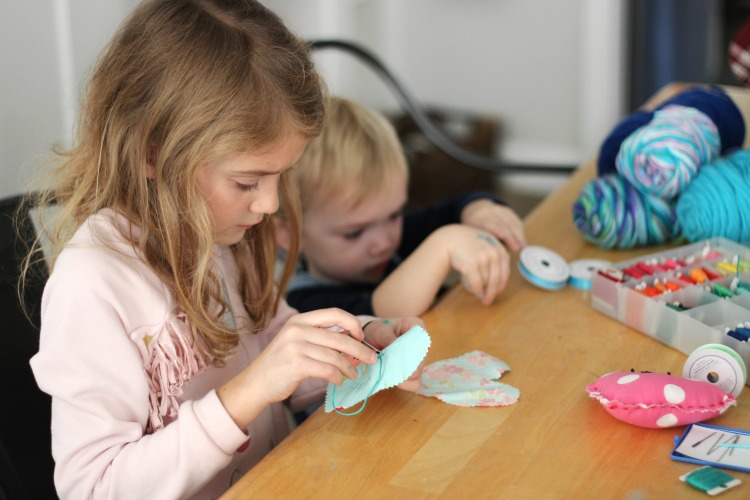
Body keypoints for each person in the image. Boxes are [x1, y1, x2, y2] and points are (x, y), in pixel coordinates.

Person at [23, 1, 423, 498]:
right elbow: (92, 486)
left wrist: (361, 346)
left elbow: (276, 356)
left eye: (280, 176)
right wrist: (252, 390)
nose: (272, 202)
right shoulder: (93, 285)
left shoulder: (218, 233)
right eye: (248, 181)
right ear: (153, 152)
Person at [273, 97, 527, 317]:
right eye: (354, 233)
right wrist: (443, 245)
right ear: (289, 233)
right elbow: (381, 314)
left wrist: (480, 210)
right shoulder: (303, 306)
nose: (383, 242)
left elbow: (455, 209)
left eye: (394, 215)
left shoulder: (387, 237)